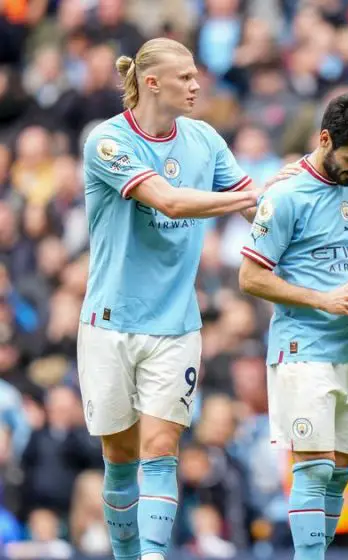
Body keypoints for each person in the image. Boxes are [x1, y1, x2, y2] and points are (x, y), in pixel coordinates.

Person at [78, 37, 262, 560]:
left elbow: (259, 212)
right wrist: (246, 199)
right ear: (152, 82)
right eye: (186, 77)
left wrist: (299, 200)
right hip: (109, 323)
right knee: (119, 458)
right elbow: (170, 201)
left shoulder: (205, 139)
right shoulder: (107, 141)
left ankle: (154, 556)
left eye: (197, 75)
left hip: (176, 325)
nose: (197, 85)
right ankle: (128, 554)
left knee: (161, 449)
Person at [238, 90, 348, 560]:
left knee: (340, 472)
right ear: (324, 138)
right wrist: (327, 301)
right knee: (313, 469)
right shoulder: (285, 195)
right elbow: (251, 276)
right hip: (301, 348)